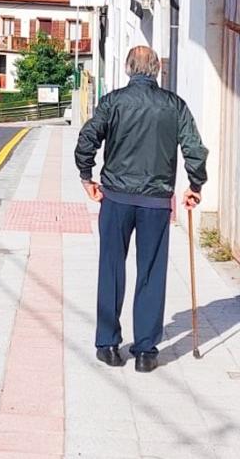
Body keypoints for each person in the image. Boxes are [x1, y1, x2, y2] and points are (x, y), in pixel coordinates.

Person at [75, 45, 208, 372]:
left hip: (116, 199)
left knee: (111, 267)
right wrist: (195, 185)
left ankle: (107, 343)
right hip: (155, 203)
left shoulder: (112, 102)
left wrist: (86, 176)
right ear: (156, 71)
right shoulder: (174, 105)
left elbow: (87, 139)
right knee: (151, 271)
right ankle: (146, 351)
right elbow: (195, 149)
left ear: (128, 69)